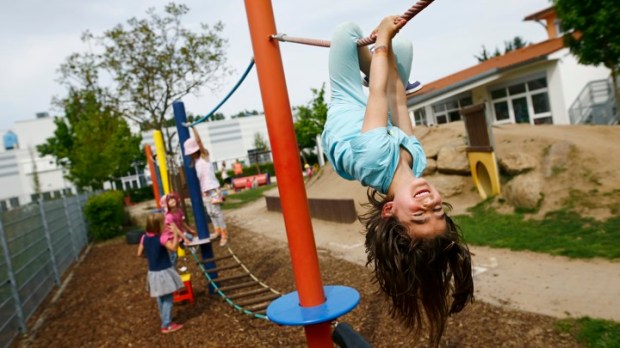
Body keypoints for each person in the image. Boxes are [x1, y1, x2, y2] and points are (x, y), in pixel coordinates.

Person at [321, 17, 473, 346]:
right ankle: (375, 60)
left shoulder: (376, 161)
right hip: (380, 116)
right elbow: (399, 101)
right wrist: (388, 54)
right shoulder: (416, 161)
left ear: (389, 209)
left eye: (419, 214)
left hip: (348, 108)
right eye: (438, 213)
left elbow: (378, 92)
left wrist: (382, 43)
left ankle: (368, 60)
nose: (430, 205)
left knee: (346, 32)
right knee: (402, 48)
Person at [137, 213, 185, 334]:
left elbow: (139, 254)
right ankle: (167, 325)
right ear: (157, 226)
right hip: (164, 272)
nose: (165, 225)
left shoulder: (144, 237)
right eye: (163, 223)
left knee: (160, 297)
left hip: (153, 273)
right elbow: (174, 248)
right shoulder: (162, 237)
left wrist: (151, 257)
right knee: (168, 298)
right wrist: (174, 233)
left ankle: (165, 319)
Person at [184, 128, 229, 246]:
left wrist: (193, 128)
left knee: (216, 211)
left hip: (213, 188)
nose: (191, 155)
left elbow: (199, 142)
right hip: (205, 191)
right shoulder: (196, 162)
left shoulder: (204, 156)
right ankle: (217, 230)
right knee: (210, 212)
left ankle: (224, 234)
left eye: (192, 152)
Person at [163, 192, 198, 263]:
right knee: (174, 254)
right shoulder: (169, 216)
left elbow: (183, 223)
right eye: (170, 200)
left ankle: (184, 244)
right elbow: (175, 229)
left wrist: (190, 229)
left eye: (173, 199)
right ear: (167, 204)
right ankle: (171, 268)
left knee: (190, 237)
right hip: (172, 236)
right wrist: (184, 238)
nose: (172, 201)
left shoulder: (179, 211)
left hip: (180, 232)